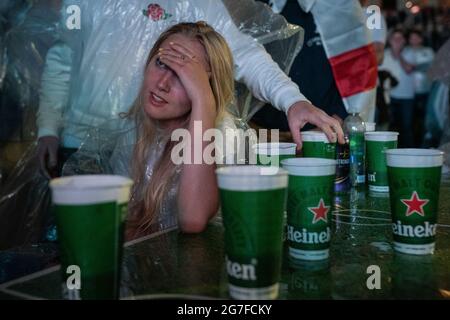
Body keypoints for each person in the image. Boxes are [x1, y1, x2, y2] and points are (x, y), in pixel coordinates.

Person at [36, 0, 344, 178]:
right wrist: (47, 128)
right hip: (79, 142)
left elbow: (244, 56)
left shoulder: (195, 2)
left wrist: (293, 101)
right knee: (78, 251)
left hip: (148, 150)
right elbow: (62, 59)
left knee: (139, 245)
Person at [110, 21, 236, 239]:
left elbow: (193, 221)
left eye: (184, 76)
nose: (162, 84)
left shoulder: (224, 135)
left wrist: (204, 101)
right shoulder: (136, 127)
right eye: (161, 63)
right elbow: (125, 220)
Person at [252, 0, 378, 130]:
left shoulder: (342, 6)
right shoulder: (262, 6)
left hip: (324, 128)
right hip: (265, 127)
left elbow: (360, 65)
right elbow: (246, 60)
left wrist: (341, 117)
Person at [379, 29, 415, 148]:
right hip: (389, 98)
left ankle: (409, 154)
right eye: (395, 38)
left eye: (400, 38)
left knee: (407, 127)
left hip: (407, 96)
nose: (397, 41)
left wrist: (399, 55)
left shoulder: (410, 52)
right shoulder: (384, 54)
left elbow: (408, 69)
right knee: (390, 127)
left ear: (404, 41)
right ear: (390, 41)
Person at [407, 29, 434, 146]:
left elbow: (432, 66)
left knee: (424, 118)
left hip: (425, 91)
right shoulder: (405, 51)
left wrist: (413, 67)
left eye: (416, 37)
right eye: (411, 38)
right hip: (408, 93)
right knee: (410, 121)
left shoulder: (428, 51)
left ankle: (424, 143)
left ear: (421, 39)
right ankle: (411, 144)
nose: (413, 40)